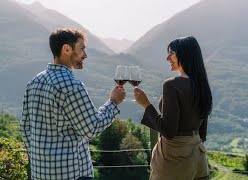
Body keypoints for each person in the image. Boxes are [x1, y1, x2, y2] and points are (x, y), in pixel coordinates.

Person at [20, 28, 126, 180]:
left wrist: (39, 159)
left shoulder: (35, 81)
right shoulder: (71, 85)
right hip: (72, 174)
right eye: (82, 48)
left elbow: (25, 127)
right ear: (67, 49)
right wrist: (113, 102)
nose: (85, 55)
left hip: (39, 173)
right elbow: (92, 129)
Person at [134, 36, 212, 180]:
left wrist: (146, 104)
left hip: (174, 159)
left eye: (172, 53)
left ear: (184, 55)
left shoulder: (171, 85)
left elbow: (168, 131)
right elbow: (203, 131)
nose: (167, 58)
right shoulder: (202, 85)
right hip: (198, 158)